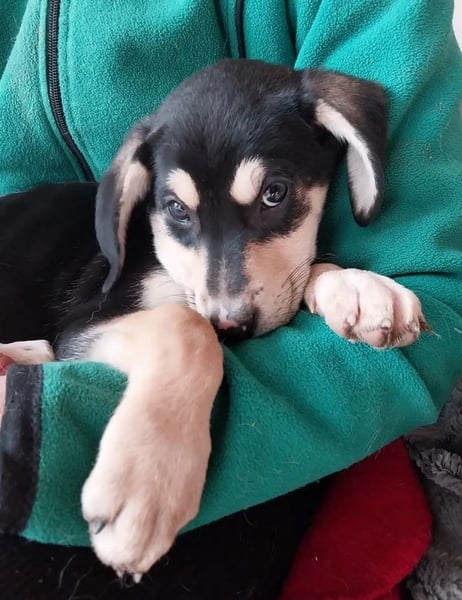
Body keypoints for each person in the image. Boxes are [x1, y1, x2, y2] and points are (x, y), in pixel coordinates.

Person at [0, 0, 461, 597]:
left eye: (272, 195)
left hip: (250, 450)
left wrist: (320, 281)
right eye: (178, 211)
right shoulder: (149, 250)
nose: (227, 303)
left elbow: (428, 282)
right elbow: (81, 340)